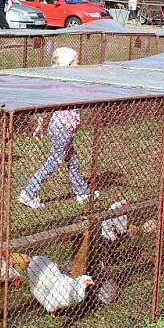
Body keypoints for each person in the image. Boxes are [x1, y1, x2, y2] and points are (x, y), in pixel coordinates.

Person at [18, 47, 100, 209]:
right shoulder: (59, 85)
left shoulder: (71, 83)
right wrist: (40, 125)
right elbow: (46, 107)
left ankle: (82, 192)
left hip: (65, 130)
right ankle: (28, 193)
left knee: (73, 161)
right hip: (60, 130)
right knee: (53, 162)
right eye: (76, 62)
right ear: (67, 64)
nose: (79, 65)